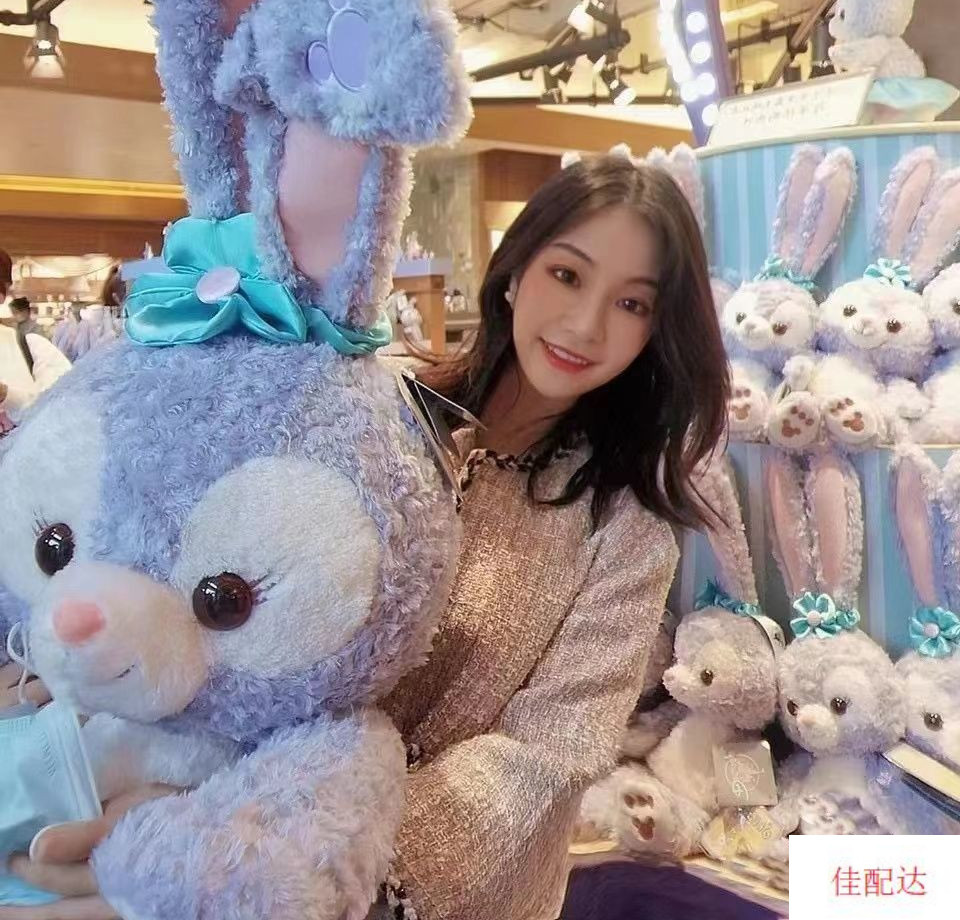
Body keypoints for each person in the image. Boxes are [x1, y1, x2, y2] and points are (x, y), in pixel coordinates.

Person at [0, 154, 729, 920]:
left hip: (406, 893)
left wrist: (306, 868)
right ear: (515, 272)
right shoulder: (369, 406)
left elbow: (549, 752)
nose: (586, 324)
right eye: (568, 275)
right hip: (201, 815)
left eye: (632, 303)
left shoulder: (623, 525)